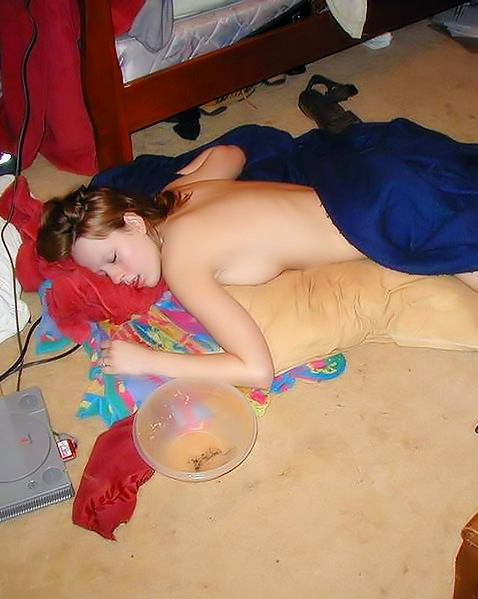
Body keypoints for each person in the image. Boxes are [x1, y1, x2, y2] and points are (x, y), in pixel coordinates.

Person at [36, 143, 478, 389]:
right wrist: (195, 166)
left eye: (113, 258)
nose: (118, 278)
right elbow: (232, 153)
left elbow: (256, 370)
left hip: (387, 216)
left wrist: (146, 359)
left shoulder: (181, 261)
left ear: (133, 222)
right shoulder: (175, 195)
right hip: (360, 175)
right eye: (104, 274)